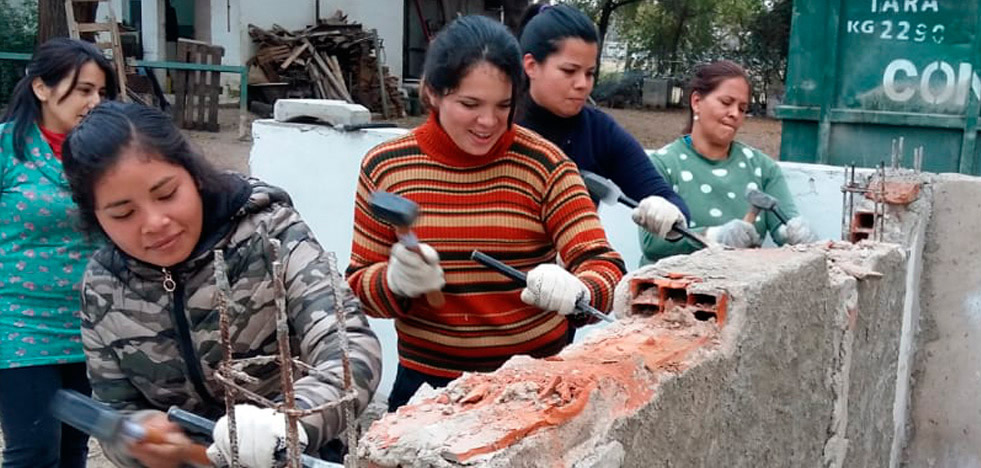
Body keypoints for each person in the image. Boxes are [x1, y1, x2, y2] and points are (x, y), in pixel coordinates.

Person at [62, 101, 382, 468]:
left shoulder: (270, 236)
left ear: (194, 175)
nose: (154, 222)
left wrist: (289, 423)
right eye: (123, 213)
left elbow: (350, 350)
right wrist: (135, 437)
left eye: (166, 194)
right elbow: (113, 411)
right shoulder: (104, 287)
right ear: (96, 218)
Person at [346, 15, 625, 412]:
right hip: (428, 390)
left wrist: (580, 293)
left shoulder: (544, 164)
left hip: (532, 385)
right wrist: (394, 283)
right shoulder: (387, 167)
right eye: (470, 104)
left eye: (504, 106)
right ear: (433, 93)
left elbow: (605, 265)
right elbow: (358, 287)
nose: (488, 122)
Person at [0, 37, 117, 468]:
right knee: (32, 452)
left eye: (101, 92)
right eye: (84, 89)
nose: (94, 101)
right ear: (41, 88)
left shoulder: (102, 154)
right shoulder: (5, 149)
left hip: (91, 325)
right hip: (18, 325)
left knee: (73, 451)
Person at [516, 3, 691, 244]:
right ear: (531, 65)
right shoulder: (497, 123)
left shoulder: (599, 131)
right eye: (569, 71)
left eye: (589, 73)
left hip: (575, 271)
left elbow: (664, 196)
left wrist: (671, 216)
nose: (582, 84)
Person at [640, 60, 818, 265]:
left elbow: (783, 226)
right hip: (671, 290)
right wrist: (713, 237)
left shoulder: (762, 168)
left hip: (740, 289)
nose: (735, 114)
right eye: (726, 102)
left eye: (742, 108)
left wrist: (796, 234)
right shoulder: (663, 165)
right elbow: (651, 242)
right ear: (696, 101)